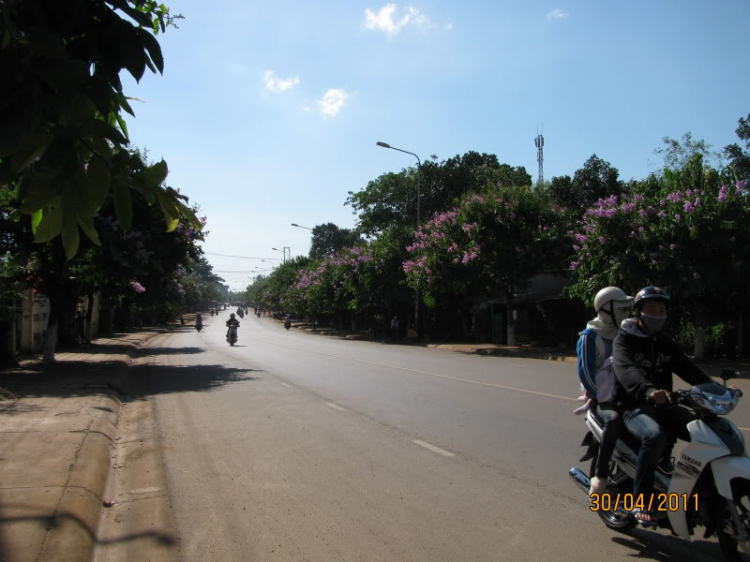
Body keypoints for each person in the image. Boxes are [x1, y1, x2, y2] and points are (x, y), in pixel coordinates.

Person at [612, 286, 713, 525]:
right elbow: (626, 370)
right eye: (650, 309)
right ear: (638, 312)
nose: (656, 314)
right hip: (633, 407)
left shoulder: (664, 342)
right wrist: (647, 390)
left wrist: (716, 388)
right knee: (654, 435)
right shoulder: (624, 339)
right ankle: (642, 501)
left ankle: (697, 493)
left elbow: (690, 370)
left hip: (665, 405)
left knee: (707, 432)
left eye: (661, 309)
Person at [576, 286, 633, 495]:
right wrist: (599, 397)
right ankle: (600, 477)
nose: (626, 314)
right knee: (614, 420)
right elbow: (585, 372)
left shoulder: (625, 333)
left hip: (625, 393)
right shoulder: (590, 336)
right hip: (601, 395)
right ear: (606, 310)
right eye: (622, 309)